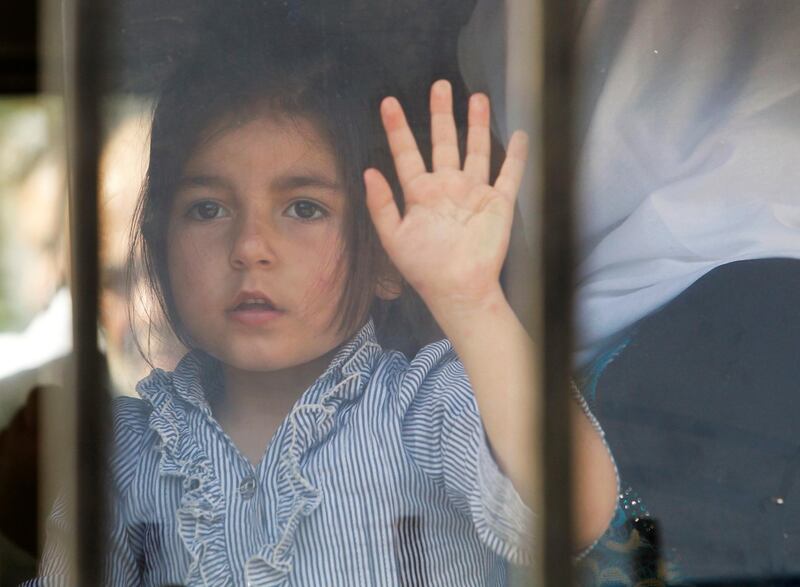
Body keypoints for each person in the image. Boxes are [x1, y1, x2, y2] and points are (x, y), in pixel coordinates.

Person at [31, 8, 617, 585]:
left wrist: (470, 298)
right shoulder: (122, 454)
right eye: (207, 209)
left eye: (304, 208)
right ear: (161, 247)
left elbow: (576, 512)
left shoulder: (425, 409)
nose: (250, 247)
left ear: (385, 264)